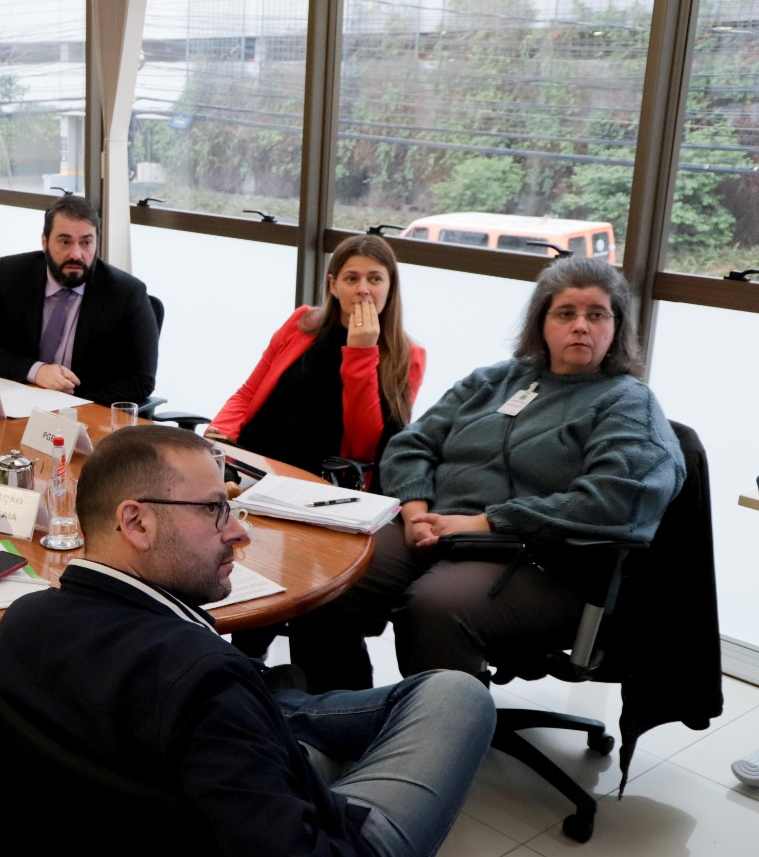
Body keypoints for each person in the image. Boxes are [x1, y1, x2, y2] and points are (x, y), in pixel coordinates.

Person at [0, 425, 494, 857]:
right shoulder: (203, 677)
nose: (238, 531)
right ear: (137, 524)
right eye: (214, 510)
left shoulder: (22, 621)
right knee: (458, 693)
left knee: (305, 717)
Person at [284, 256, 685, 693]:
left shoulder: (627, 403)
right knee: (325, 571)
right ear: (542, 323)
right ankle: (335, 710)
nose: (581, 326)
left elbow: (617, 499)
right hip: (436, 530)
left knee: (436, 606)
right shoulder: (494, 381)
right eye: (565, 313)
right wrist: (416, 511)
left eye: (596, 315)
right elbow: (412, 444)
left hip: (542, 559)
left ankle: (439, 742)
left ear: (617, 326)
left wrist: (486, 521)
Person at [207, 235, 426, 478]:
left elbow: (365, 448)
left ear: (390, 287)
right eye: (351, 279)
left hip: (313, 480)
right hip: (248, 460)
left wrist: (361, 353)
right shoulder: (302, 323)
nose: (363, 290)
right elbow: (248, 393)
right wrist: (217, 439)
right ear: (333, 285)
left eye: (375, 279)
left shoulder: (408, 356)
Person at [0, 194, 158, 405]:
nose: (76, 254)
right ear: (45, 241)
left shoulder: (127, 294)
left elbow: (141, 380)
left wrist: (75, 406)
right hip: (18, 403)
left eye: (86, 242)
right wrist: (36, 371)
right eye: (65, 241)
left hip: (84, 411)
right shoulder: (11, 274)